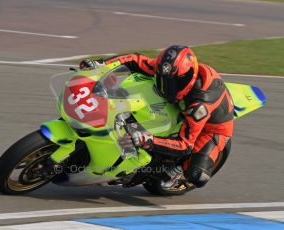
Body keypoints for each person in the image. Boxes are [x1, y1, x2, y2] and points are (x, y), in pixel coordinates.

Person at [79, 45, 234, 189]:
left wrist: (149, 140)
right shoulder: (171, 70)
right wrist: (100, 64)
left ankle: (179, 169)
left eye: (173, 83)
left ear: (187, 78)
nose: (167, 87)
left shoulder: (200, 104)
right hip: (178, 105)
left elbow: (184, 144)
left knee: (197, 175)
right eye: (164, 80)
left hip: (211, 129)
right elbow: (134, 60)